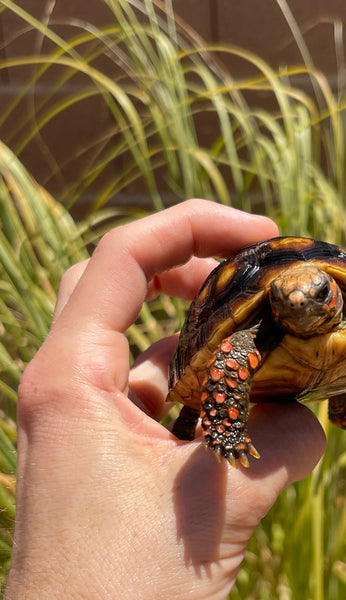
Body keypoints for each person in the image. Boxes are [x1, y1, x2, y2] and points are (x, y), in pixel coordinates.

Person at [5, 199, 326, 599]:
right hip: (254, 349)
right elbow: (225, 360)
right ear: (273, 302)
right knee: (223, 370)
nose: (298, 305)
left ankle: (341, 407)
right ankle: (213, 425)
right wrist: (225, 429)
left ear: (333, 293)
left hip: (328, 363)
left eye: (318, 295)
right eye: (282, 299)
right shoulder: (246, 344)